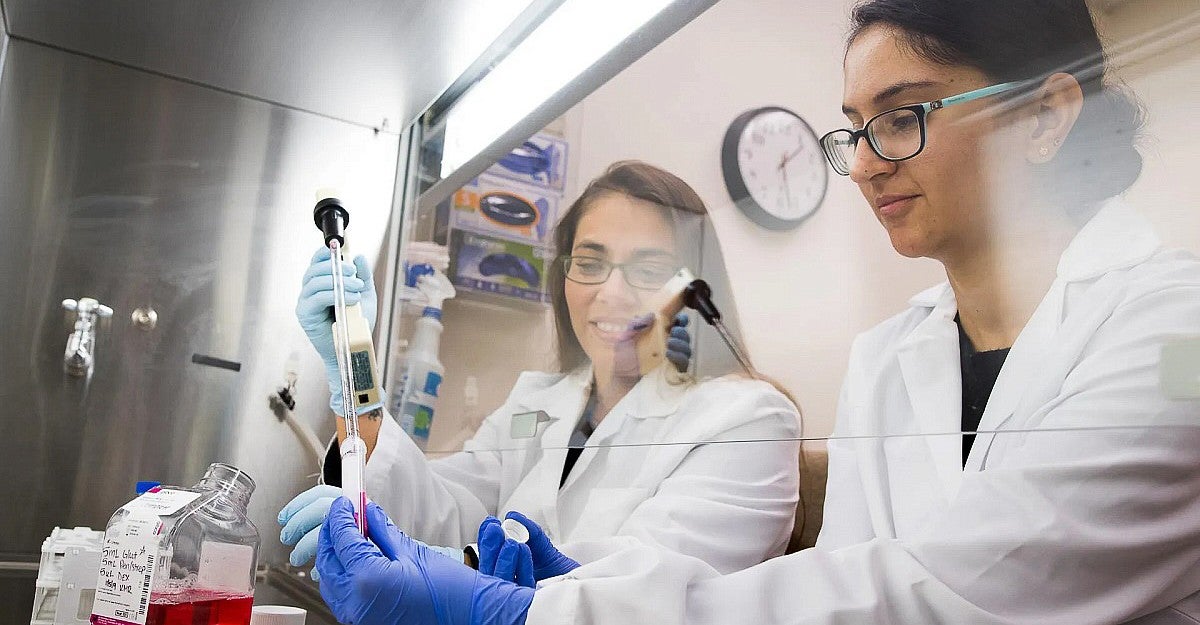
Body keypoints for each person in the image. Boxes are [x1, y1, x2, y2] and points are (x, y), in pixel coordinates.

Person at [311, 1, 1200, 623]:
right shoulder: (890, 356)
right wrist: (579, 595)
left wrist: (553, 610)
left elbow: (962, 589)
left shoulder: (1177, 332)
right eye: (854, 129)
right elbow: (832, 586)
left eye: (902, 117)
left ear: (1045, 114)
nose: (862, 165)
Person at [280, 161, 802, 582]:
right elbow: (443, 512)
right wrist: (353, 364)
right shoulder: (539, 402)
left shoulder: (750, 420)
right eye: (591, 263)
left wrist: (442, 565)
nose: (611, 294)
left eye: (648, 271)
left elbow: (642, 588)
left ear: (694, 289)